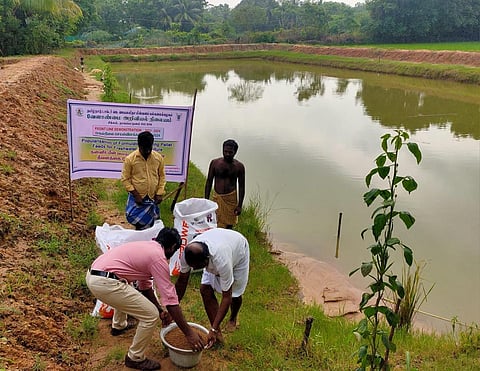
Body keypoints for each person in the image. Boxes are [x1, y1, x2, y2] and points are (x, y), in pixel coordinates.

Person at [86, 227, 204, 370]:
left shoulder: (148, 248)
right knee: (150, 316)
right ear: (173, 247)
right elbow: (171, 300)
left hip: (94, 276)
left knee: (125, 286)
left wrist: (160, 310)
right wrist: (189, 333)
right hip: (105, 283)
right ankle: (134, 358)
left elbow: (145, 287)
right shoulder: (158, 258)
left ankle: (118, 326)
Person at [175, 228, 250, 348]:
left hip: (238, 251)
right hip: (218, 243)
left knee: (235, 294)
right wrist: (173, 306)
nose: (193, 269)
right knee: (205, 289)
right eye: (192, 267)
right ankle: (218, 334)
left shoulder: (222, 260)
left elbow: (227, 297)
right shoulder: (188, 254)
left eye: (197, 267)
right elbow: (182, 281)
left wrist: (212, 329)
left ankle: (232, 318)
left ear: (207, 260)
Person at [121, 131, 166, 230]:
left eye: (149, 148)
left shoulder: (158, 158)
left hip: (152, 196)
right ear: (139, 145)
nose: (147, 151)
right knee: (136, 221)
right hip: (138, 197)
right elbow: (125, 179)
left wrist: (160, 192)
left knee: (153, 224)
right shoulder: (130, 159)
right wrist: (136, 195)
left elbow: (162, 176)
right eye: (144, 148)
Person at [205, 139, 245, 229]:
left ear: (235, 152)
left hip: (230, 199)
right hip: (217, 197)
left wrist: (239, 206)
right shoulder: (215, 163)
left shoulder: (239, 167)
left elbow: (241, 187)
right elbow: (209, 181)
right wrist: (206, 200)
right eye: (225, 151)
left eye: (230, 152)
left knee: (229, 225)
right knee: (214, 222)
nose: (227, 154)